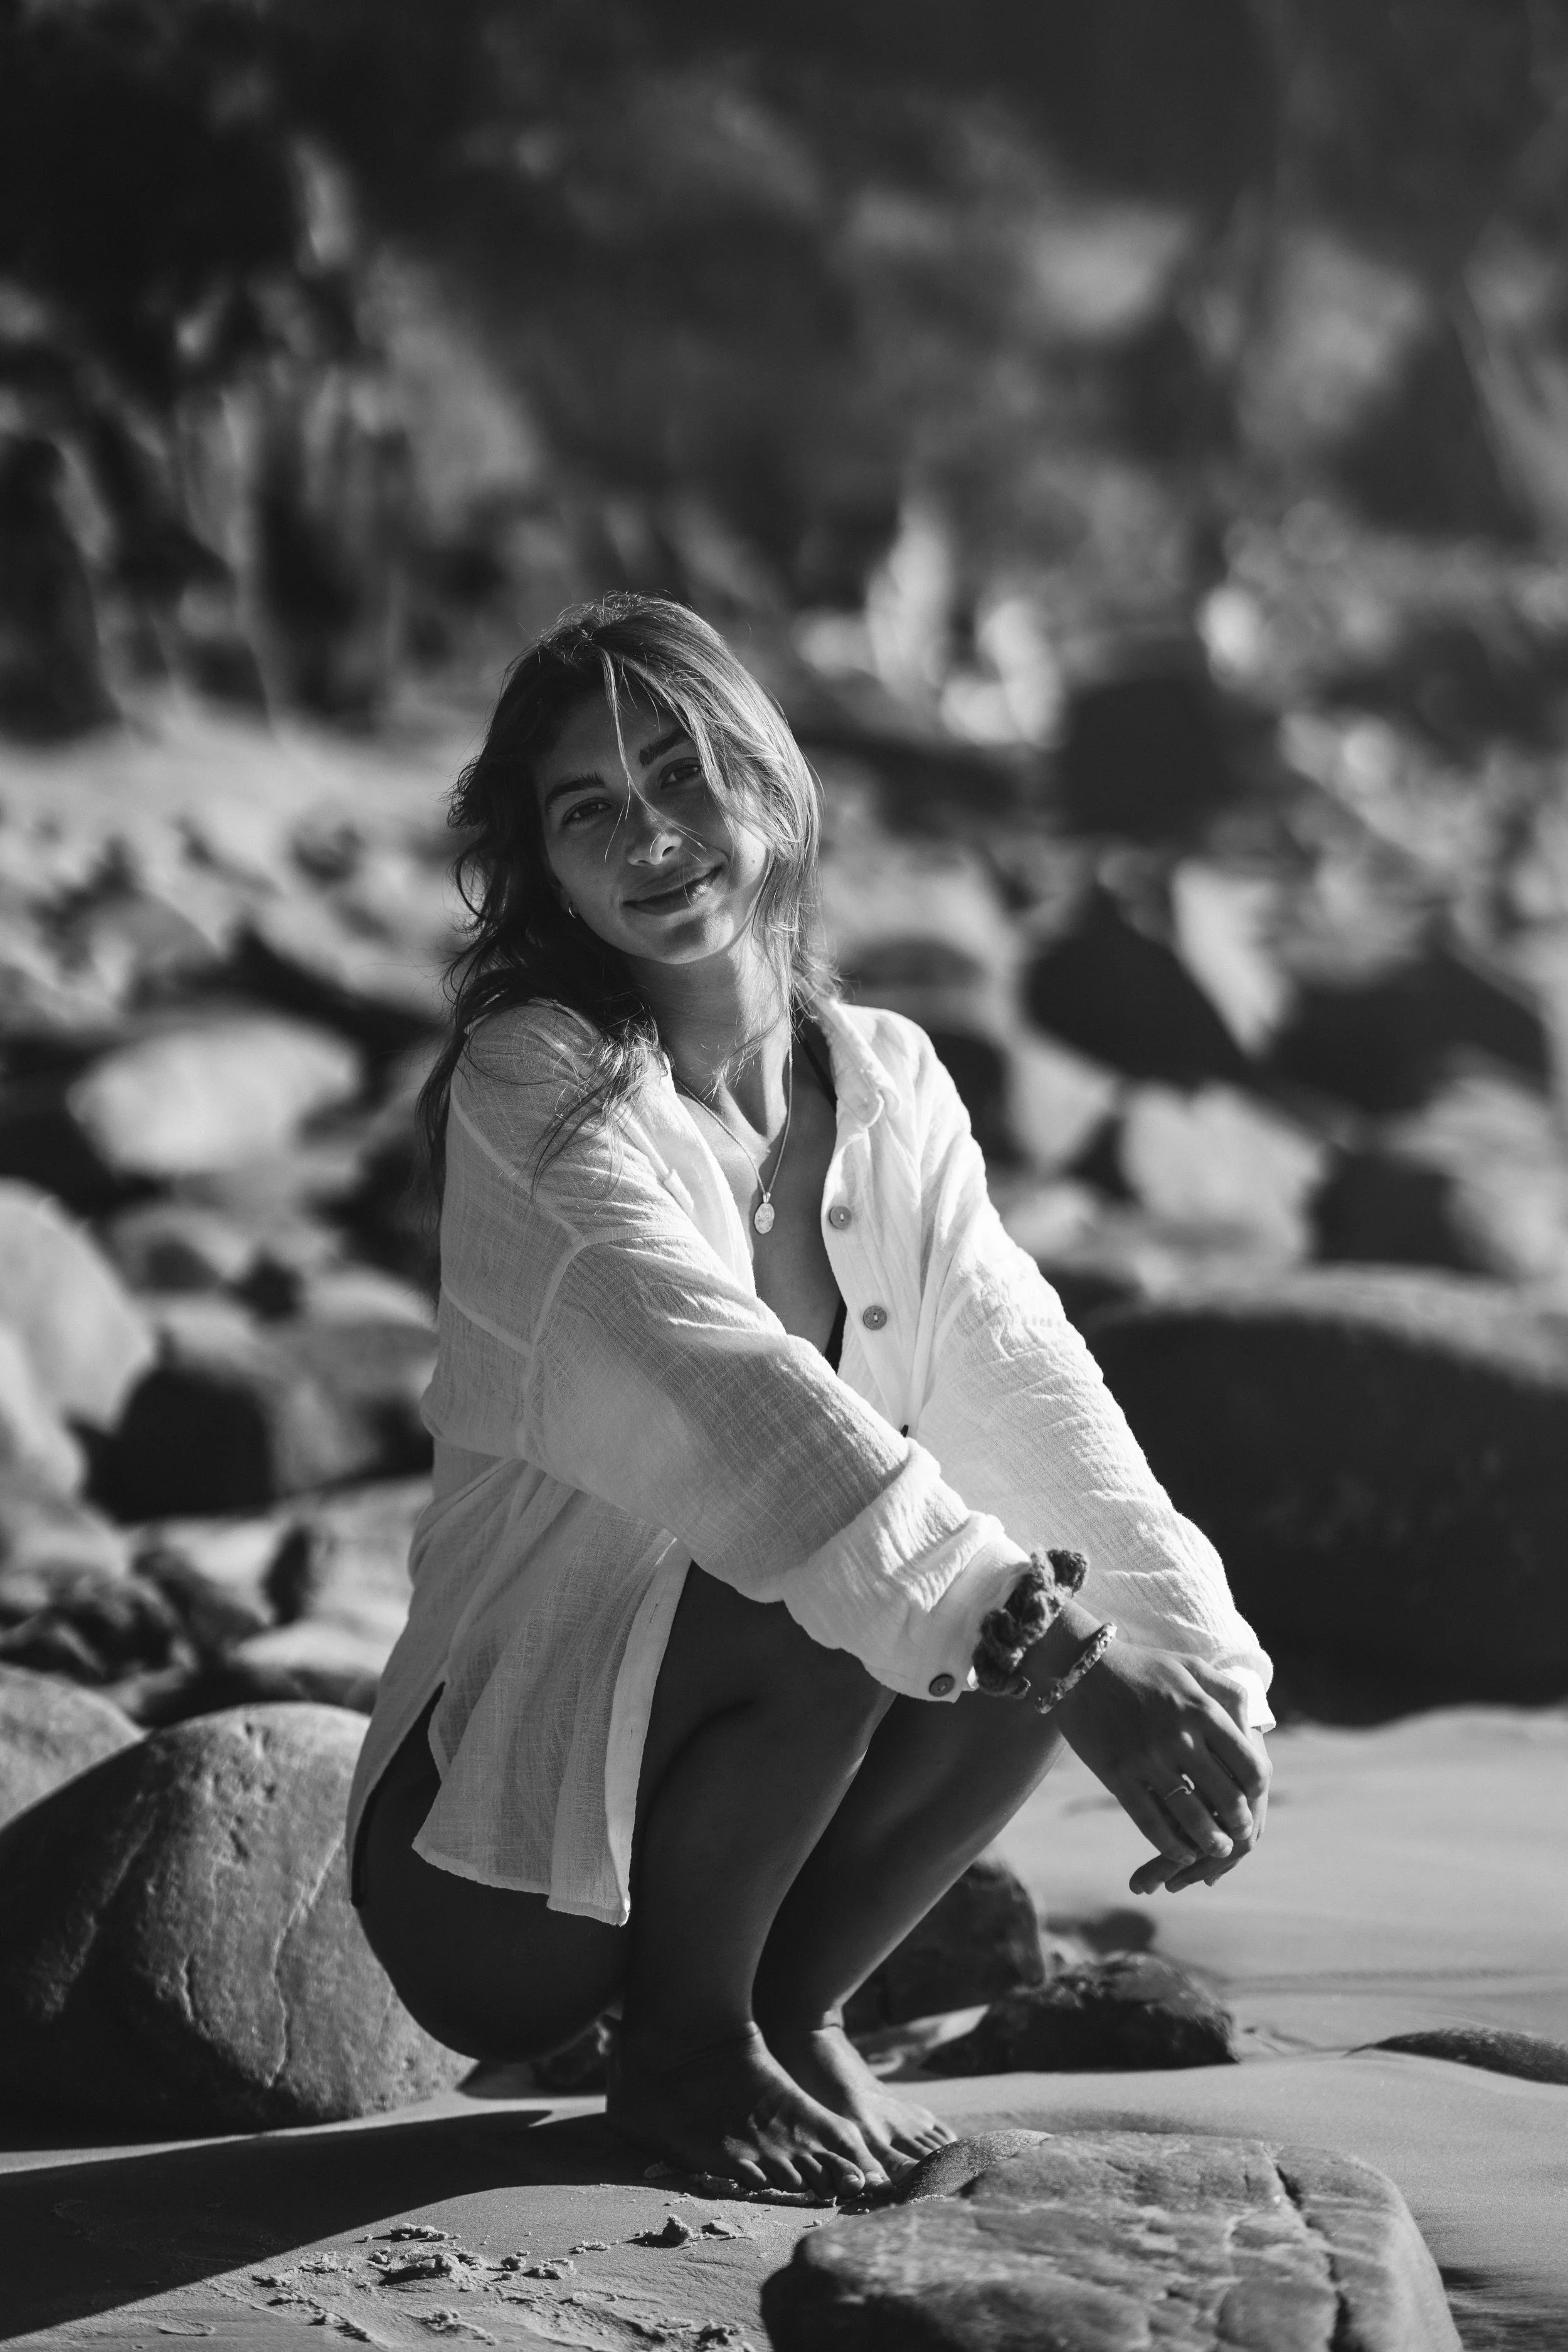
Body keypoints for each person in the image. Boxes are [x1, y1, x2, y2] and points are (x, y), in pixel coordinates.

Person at [349, 592, 1273, 2201]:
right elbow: (741, 1411)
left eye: (685, 776)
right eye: (589, 809)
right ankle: (684, 2050)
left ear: (771, 787)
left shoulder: (893, 1083)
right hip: (485, 1860)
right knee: (878, 1577)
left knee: (1015, 1573)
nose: (649, 835)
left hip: (706, 1793)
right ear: (544, 867)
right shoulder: (539, 1085)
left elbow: (1023, 1381)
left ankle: (787, 2005)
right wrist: (1060, 1654)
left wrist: (1194, 1681)